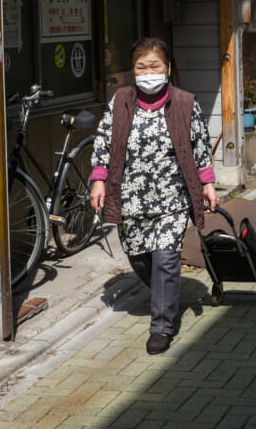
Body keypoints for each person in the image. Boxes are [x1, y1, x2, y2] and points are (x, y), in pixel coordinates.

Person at [89, 38, 219, 355]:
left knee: (166, 258)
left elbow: (200, 147)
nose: (149, 73)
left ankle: (162, 326)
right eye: (141, 67)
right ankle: (165, 291)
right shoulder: (120, 101)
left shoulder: (185, 103)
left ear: (168, 68)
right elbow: (103, 143)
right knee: (140, 258)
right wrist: (98, 180)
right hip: (130, 197)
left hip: (172, 196)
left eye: (155, 66)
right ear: (133, 71)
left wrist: (207, 183)